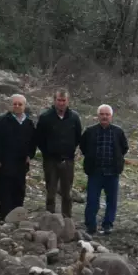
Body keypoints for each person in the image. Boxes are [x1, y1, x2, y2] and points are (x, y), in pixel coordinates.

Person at [80, 104, 128, 236]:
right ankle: (91, 226)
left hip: (112, 173)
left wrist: (117, 160)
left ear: (111, 116)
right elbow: (83, 147)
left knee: (111, 201)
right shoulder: (90, 131)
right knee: (92, 200)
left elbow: (124, 148)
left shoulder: (118, 132)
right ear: (98, 116)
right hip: (95, 172)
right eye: (102, 114)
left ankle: (107, 225)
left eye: (107, 114)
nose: (104, 117)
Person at [34, 89, 82, 218]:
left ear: (68, 101)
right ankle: (50, 217)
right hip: (50, 160)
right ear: (54, 101)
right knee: (51, 190)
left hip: (68, 160)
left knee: (67, 192)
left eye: (63, 100)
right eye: (59, 100)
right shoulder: (45, 117)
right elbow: (39, 138)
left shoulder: (74, 117)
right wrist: (47, 151)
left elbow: (78, 137)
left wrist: (71, 149)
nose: (61, 103)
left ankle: (67, 218)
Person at [0, 94, 37, 221]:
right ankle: (4, 216)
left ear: (24, 106)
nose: (17, 106)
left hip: (21, 162)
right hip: (4, 161)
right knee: (4, 189)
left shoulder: (29, 123)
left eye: (20, 104)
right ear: (11, 105)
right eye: (14, 104)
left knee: (19, 188)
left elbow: (33, 141)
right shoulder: (0, 121)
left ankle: (17, 215)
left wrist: (29, 155)